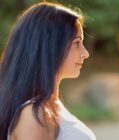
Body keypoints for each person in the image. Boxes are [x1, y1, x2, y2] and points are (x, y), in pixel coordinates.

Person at [0, 2, 96, 140]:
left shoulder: (48, 107)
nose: (85, 53)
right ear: (50, 46)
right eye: (77, 43)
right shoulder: (35, 115)